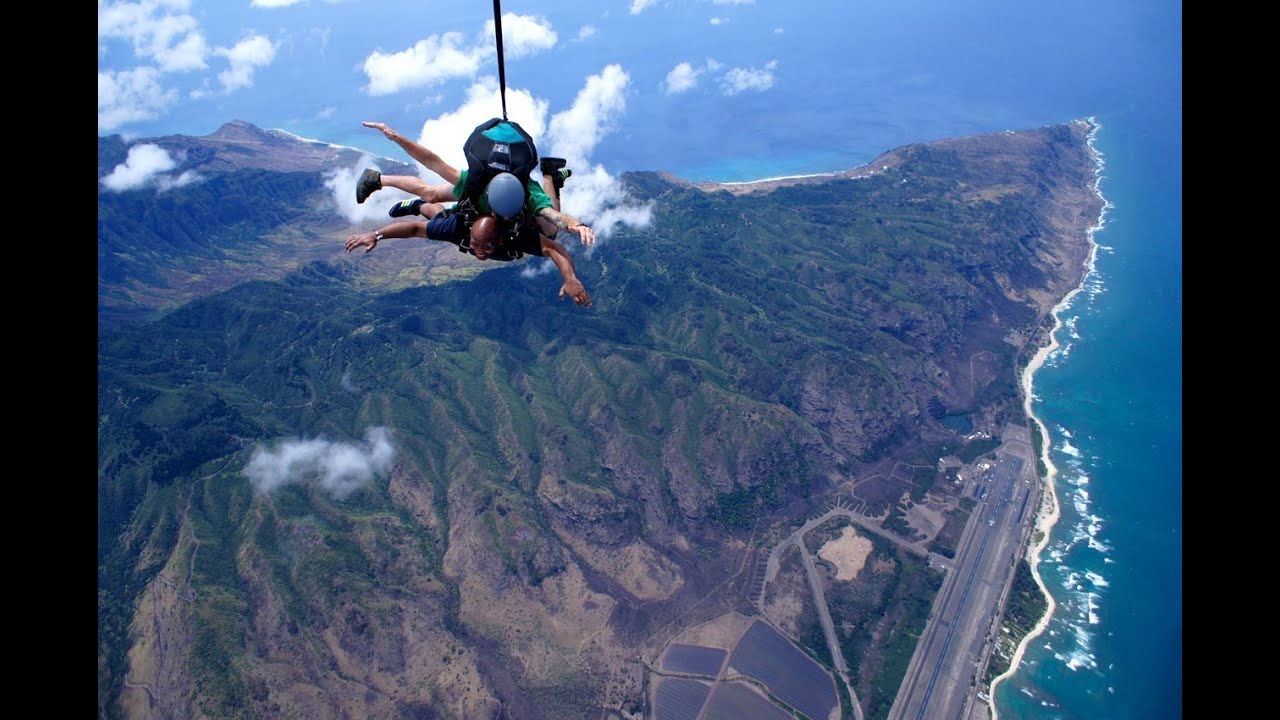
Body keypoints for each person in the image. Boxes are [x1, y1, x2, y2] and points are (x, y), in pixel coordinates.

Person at [355, 121, 594, 248]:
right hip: (473, 192)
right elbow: (431, 161)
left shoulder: (528, 195)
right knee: (431, 194)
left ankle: (550, 175)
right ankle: (376, 179)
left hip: (488, 196)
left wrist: (576, 226)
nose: (499, 216)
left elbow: (554, 217)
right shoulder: (474, 182)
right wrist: (396, 138)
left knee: (551, 230)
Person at [342, 195, 593, 307]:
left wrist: (570, 278)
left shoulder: (517, 236)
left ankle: (420, 205)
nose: (480, 252)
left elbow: (554, 249)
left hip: (481, 227)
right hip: (456, 223)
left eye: (486, 246)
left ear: (501, 240)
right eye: (475, 245)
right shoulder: (459, 230)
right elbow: (414, 229)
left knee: (550, 233)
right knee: (439, 219)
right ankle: (418, 204)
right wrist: (375, 235)